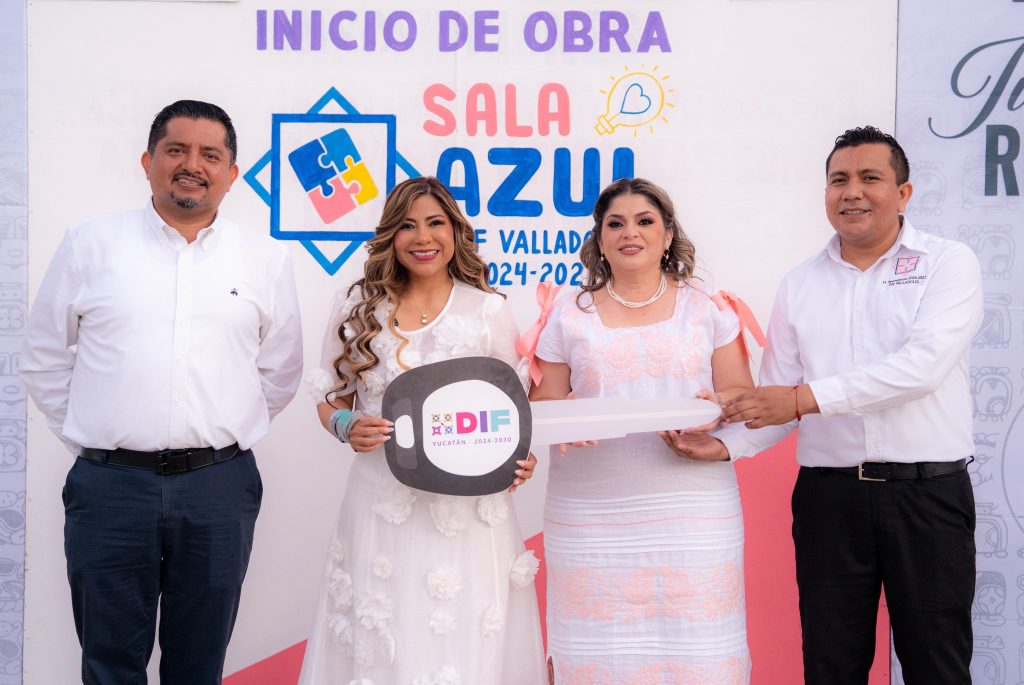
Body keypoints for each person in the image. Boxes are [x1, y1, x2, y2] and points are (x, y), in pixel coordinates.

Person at [679, 126, 982, 685]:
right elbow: (777, 402)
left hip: (928, 497)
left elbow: (922, 369)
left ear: (904, 192)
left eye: (870, 178)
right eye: (839, 180)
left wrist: (802, 399)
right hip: (830, 502)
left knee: (937, 666)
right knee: (830, 666)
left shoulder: (948, 263)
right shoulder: (800, 283)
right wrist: (721, 445)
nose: (852, 192)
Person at [20, 100, 303, 683]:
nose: (192, 165)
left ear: (232, 173)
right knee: (109, 663)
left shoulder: (265, 260)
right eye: (176, 150)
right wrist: (96, 434)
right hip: (110, 488)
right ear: (148, 161)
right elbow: (43, 356)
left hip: (219, 488)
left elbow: (281, 371)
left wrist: (222, 429)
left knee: (199, 664)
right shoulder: (90, 245)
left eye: (210, 155)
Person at [299, 176, 545, 685]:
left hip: (469, 511)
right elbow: (331, 400)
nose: (422, 237)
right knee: (384, 633)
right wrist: (346, 425)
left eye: (435, 223)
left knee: (465, 636)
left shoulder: (488, 311)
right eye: (407, 225)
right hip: (381, 502)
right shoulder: (357, 307)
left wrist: (521, 460)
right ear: (390, 235)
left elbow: (513, 411)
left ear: (455, 231)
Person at [529, 178, 755, 684]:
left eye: (644, 221)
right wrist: (568, 415)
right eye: (616, 223)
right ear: (599, 238)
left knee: (696, 650)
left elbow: (740, 393)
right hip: (589, 510)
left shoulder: (708, 306)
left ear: (668, 234)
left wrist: (714, 407)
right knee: (599, 654)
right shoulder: (568, 310)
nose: (630, 232)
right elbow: (540, 407)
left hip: (693, 509)